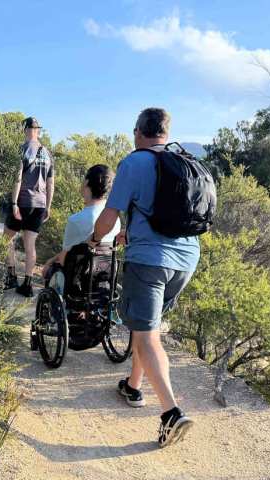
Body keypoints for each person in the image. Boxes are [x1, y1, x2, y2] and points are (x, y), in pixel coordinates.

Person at [91, 108, 199, 448]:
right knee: (146, 328)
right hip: (186, 260)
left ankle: (171, 412)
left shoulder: (134, 162)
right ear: (165, 133)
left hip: (150, 260)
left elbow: (110, 215)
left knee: (148, 334)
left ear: (138, 131)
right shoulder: (183, 161)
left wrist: (95, 240)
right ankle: (133, 386)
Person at [41, 164, 119, 294]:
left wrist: (50, 261)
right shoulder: (114, 219)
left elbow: (64, 259)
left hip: (78, 284)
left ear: (87, 182)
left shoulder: (76, 220)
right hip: (103, 281)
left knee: (51, 270)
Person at [4, 116, 55, 297]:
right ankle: (27, 284)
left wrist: (14, 202)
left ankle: (11, 276)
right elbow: (50, 183)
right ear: (38, 130)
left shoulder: (23, 149)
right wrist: (48, 206)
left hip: (24, 201)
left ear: (26, 129)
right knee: (30, 244)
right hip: (40, 204)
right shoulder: (47, 153)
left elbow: (18, 178)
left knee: (6, 238)